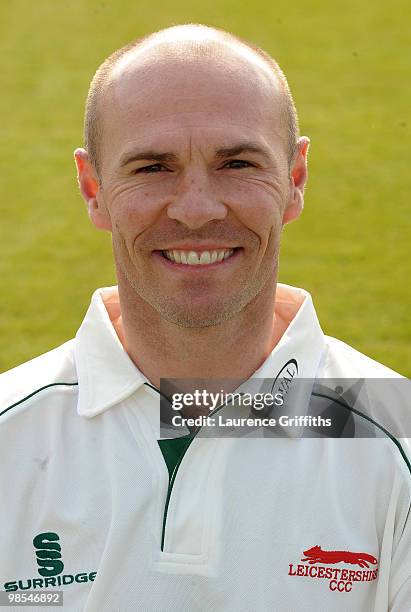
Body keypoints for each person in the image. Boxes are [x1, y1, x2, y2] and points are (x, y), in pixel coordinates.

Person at [0, 23, 409, 612]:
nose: (196, 210)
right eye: (151, 167)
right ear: (93, 188)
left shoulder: (398, 437)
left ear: (295, 179)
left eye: (237, 163)